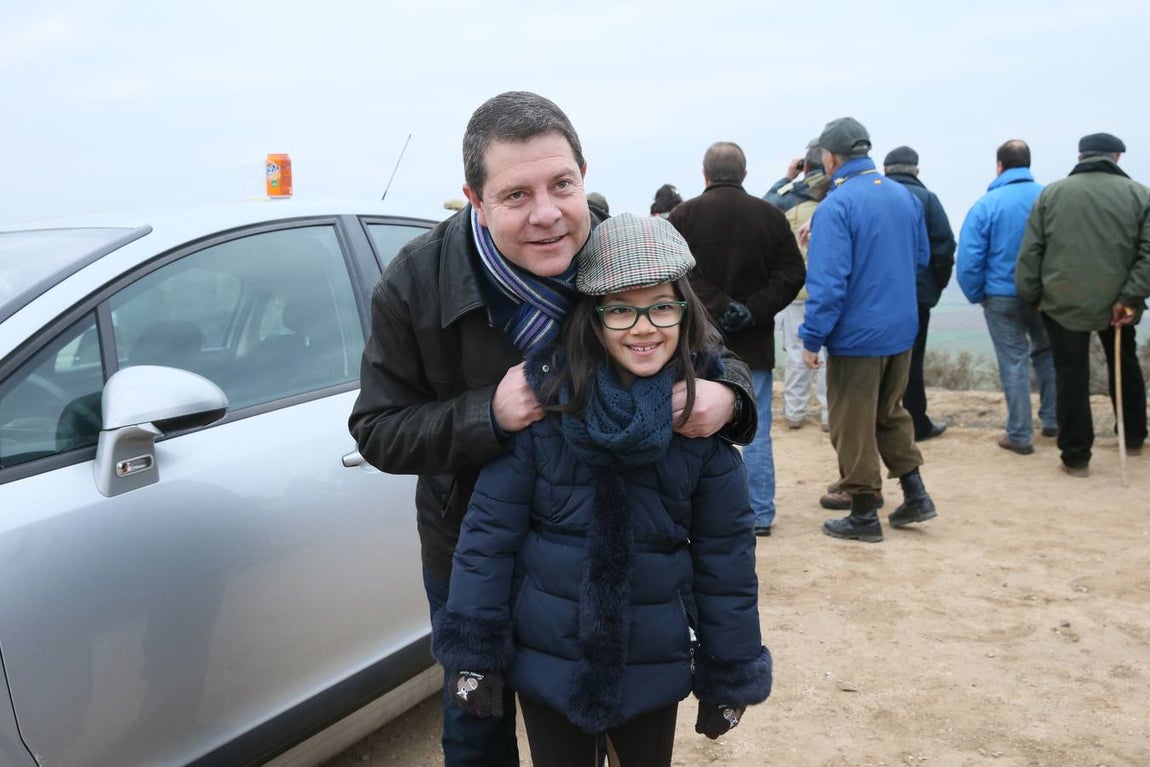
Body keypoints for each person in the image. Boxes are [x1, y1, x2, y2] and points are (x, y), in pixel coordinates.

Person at [348, 91, 755, 767]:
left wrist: (727, 397)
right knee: (475, 727)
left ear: (583, 174)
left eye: (561, 184)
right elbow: (378, 428)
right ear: (474, 199)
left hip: (590, 549)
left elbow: (701, 340)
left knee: (605, 716)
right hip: (471, 550)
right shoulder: (415, 284)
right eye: (515, 195)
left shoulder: (613, 245)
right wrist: (489, 413)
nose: (547, 214)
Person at [431, 213, 773, 767]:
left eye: (662, 306)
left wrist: (729, 671)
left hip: (652, 660)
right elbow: (488, 538)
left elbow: (726, 560)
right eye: (620, 309)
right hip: (549, 661)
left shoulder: (699, 425)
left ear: (685, 312)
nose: (643, 327)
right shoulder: (544, 412)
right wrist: (475, 654)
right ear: (593, 317)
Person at [800, 117, 938, 542]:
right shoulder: (903, 197)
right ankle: (915, 494)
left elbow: (829, 283)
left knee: (851, 422)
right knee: (890, 412)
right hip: (901, 328)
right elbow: (919, 258)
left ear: (829, 156)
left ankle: (863, 514)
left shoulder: (836, 207)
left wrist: (812, 337)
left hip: (858, 335)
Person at [668, 142, 806, 536]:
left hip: (696, 342)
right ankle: (760, 513)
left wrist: (718, 305)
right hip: (754, 345)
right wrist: (753, 309)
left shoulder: (683, 216)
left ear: (705, 174)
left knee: (692, 424)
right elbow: (793, 273)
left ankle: (698, 510)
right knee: (757, 431)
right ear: (744, 174)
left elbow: (679, 275)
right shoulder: (770, 217)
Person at [1016, 132, 1149, 477]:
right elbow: (1147, 255)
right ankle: (1133, 437)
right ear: (1116, 157)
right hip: (1119, 301)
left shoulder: (1052, 193)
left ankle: (1076, 456)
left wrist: (1033, 296)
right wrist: (1130, 297)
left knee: (1071, 374)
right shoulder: (1139, 194)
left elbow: (1032, 251)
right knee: (1124, 364)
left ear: (1080, 157)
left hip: (1062, 300)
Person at [956, 139, 1057, 455]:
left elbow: (970, 257)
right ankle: (1053, 421)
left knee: (1013, 363)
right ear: (1028, 164)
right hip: (1045, 295)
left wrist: (977, 294)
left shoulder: (987, 204)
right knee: (1048, 355)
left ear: (999, 166)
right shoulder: (1049, 199)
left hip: (1001, 296)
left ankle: (1020, 434)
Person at [882, 146, 956, 442]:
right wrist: (934, 286)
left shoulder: (876, 197)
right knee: (912, 360)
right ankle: (917, 423)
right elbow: (944, 248)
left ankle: (879, 422)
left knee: (875, 361)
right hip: (916, 297)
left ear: (885, 170)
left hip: (876, 296)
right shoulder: (927, 199)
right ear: (917, 170)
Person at [765, 142, 831, 431]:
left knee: (795, 350)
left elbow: (764, 207)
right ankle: (831, 415)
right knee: (830, 353)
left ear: (804, 168)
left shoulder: (789, 197)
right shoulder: (836, 194)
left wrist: (786, 178)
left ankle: (794, 413)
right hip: (831, 287)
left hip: (795, 288)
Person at [761, 141, 826, 213]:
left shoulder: (790, 195)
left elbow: (762, 208)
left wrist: (787, 178)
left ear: (805, 168)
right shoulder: (837, 189)